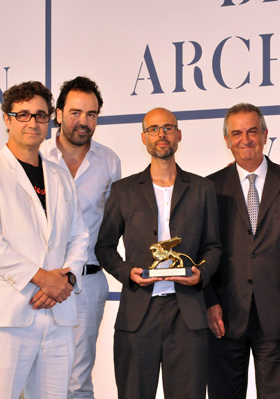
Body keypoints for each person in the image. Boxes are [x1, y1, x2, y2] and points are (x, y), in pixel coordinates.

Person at [0, 81, 89, 398]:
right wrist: (43, 278)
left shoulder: (59, 174)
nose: (33, 123)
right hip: (7, 316)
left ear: (50, 120)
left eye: (41, 115)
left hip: (57, 314)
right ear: (7, 119)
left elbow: (79, 235)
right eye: (23, 115)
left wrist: (67, 278)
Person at [95, 107, 221, 399]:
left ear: (179, 135)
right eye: (154, 129)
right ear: (143, 137)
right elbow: (103, 246)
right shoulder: (123, 190)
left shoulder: (203, 188)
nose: (161, 134)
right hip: (138, 315)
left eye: (167, 128)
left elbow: (213, 246)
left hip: (188, 314)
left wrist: (201, 274)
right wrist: (127, 272)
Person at [205, 103, 280, 399]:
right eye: (237, 133)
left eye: (252, 131)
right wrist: (208, 301)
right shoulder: (209, 188)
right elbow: (201, 251)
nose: (245, 139)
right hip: (224, 315)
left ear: (265, 134)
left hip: (277, 314)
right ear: (227, 140)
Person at [41, 76, 121, 398]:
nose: (83, 122)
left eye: (91, 114)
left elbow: (115, 225)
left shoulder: (109, 161)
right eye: (75, 112)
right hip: (40, 283)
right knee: (38, 373)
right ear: (58, 114)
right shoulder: (38, 156)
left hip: (87, 284)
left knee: (79, 379)